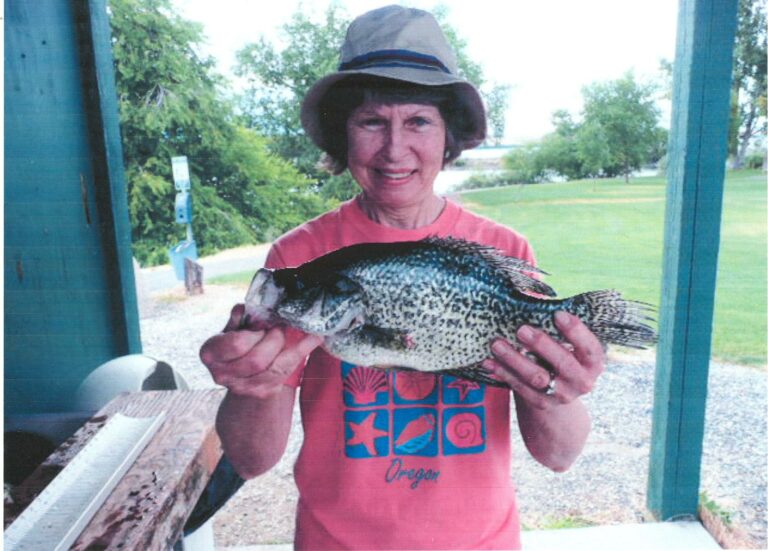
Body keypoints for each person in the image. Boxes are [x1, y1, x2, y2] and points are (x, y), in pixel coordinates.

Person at [200, 5, 605, 549]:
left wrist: (555, 392)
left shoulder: (504, 250)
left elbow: (558, 455)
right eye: (372, 121)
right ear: (344, 136)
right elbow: (251, 459)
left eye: (418, 120)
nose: (395, 149)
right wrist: (255, 385)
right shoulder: (300, 258)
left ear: (447, 136)